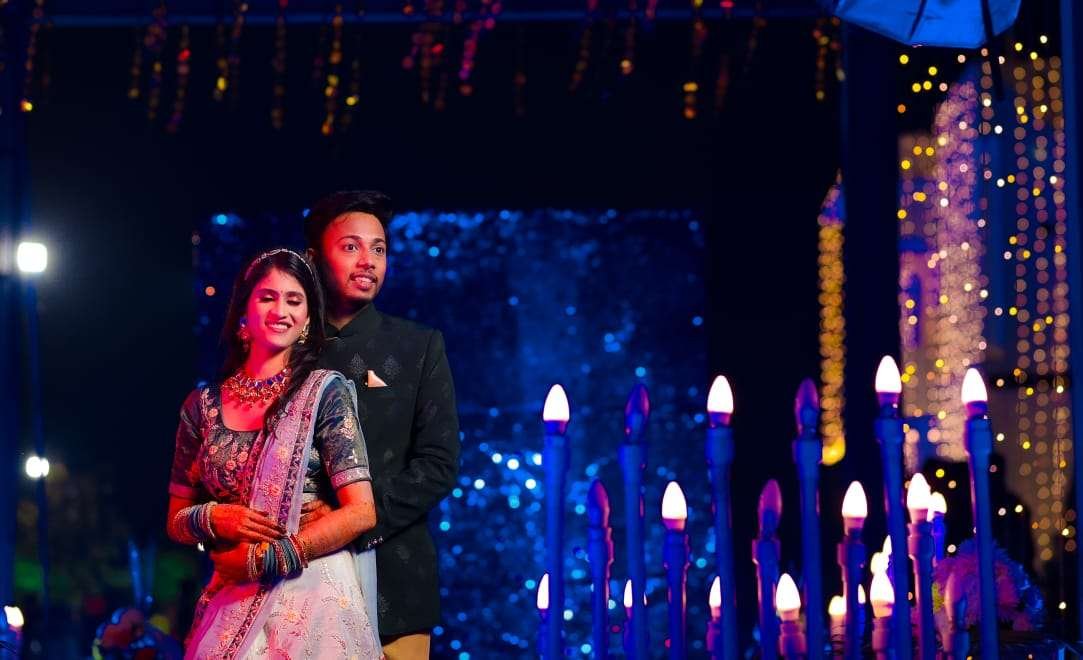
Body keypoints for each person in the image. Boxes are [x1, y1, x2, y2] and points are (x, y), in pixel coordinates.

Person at [166, 248, 381, 658]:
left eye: (294, 300)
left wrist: (271, 557)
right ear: (243, 310)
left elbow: (361, 512)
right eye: (267, 297)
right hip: (233, 589)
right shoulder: (202, 406)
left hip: (312, 588)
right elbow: (176, 519)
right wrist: (215, 517)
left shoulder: (323, 393)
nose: (280, 311)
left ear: (307, 318)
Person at [302, 190, 460, 659]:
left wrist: (350, 522)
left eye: (379, 248)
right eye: (350, 246)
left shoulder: (417, 346)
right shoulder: (288, 348)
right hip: (298, 579)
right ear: (313, 258)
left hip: (396, 581)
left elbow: (439, 464)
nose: (368, 261)